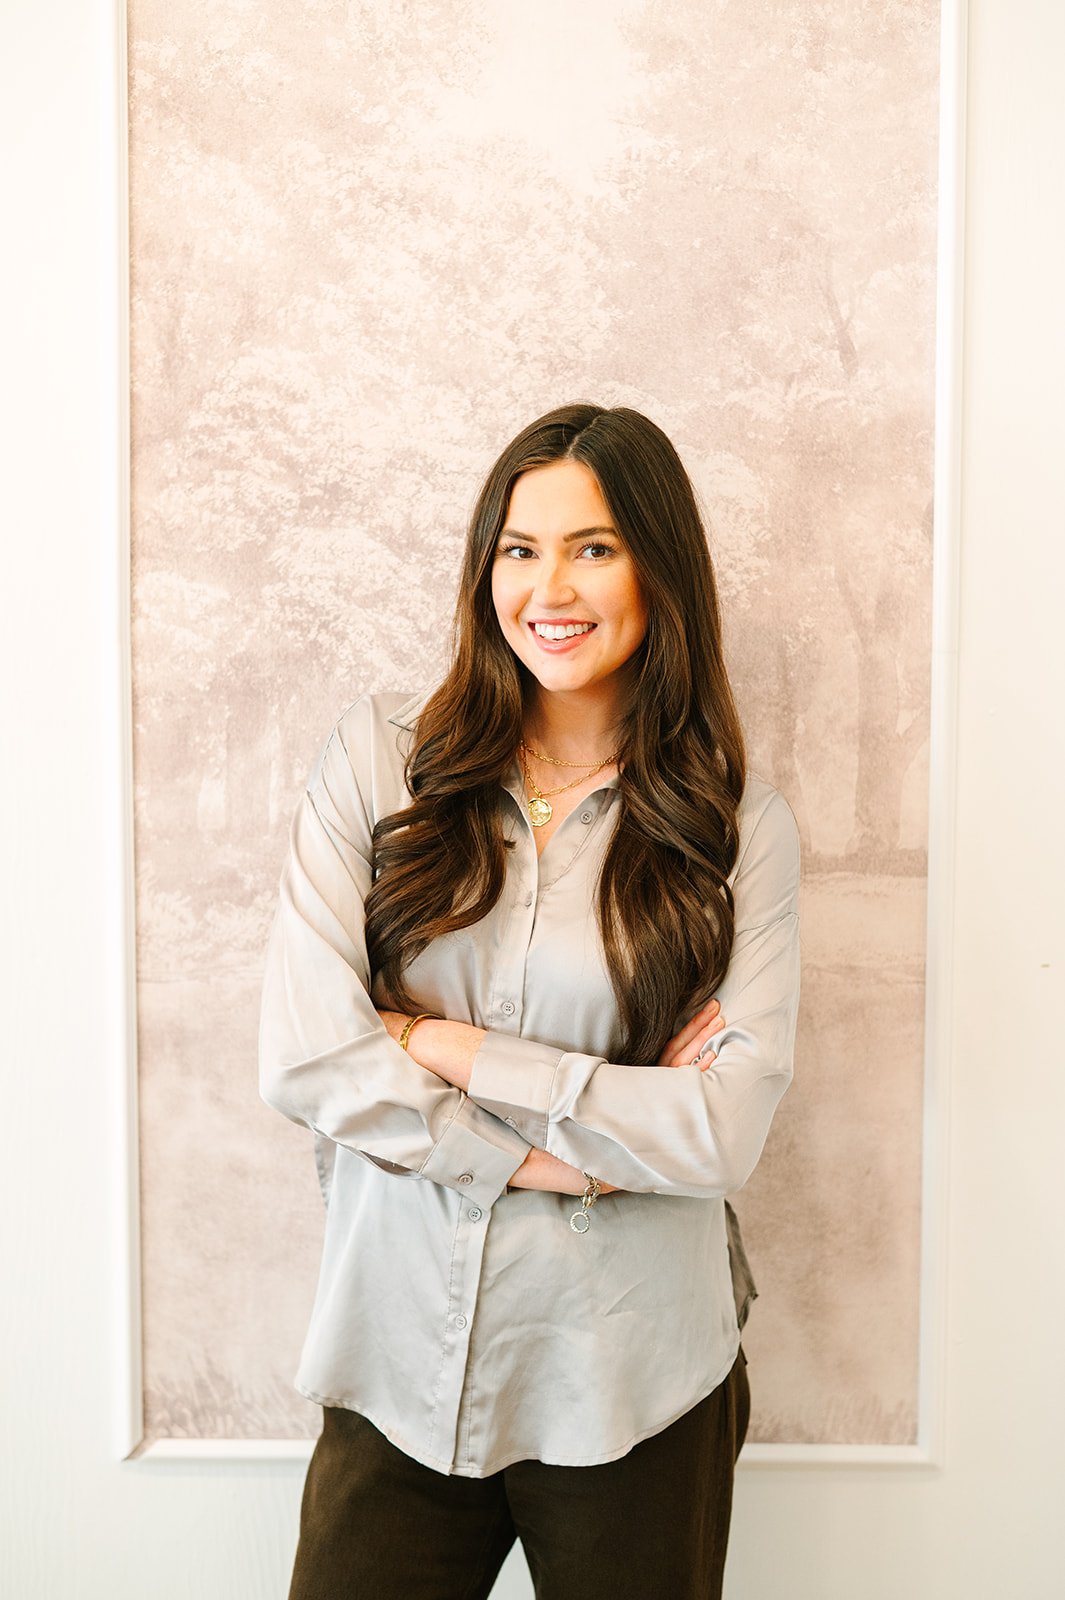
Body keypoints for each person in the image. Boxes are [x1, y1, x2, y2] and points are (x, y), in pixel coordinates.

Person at [258, 402, 801, 1600]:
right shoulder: (379, 764)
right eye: (520, 547)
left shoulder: (734, 832)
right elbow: (306, 1059)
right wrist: (577, 1150)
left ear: (660, 567)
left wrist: (447, 1045)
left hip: (633, 1386)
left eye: (594, 546)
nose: (549, 586)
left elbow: (722, 1131)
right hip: (399, 1358)